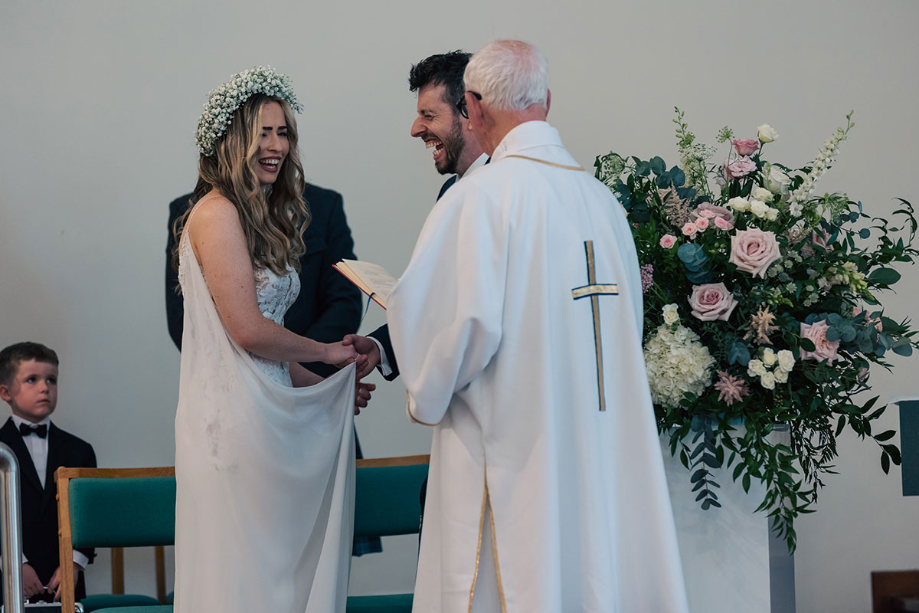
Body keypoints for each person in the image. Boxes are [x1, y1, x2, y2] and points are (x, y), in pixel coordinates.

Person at [353, 41, 689, 611]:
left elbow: (460, 336)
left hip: (513, 461)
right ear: (547, 101)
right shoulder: (602, 202)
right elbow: (625, 328)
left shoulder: (478, 200)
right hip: (594, 457)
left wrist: (421, 369)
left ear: (475, 107)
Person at [171, 66, 371, 613]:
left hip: (266, 418)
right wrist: (330, 351)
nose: (277, 146)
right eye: (262, 132)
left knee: (278, 583)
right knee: (247, 582)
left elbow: (264, 357)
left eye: (284, 133)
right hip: (233, 425)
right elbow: (247, 330)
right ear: (231, 139)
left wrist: (325, 386)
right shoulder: (214, 214)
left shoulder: (256, 214)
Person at [360, 50, 487, 381]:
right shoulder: (449, 191)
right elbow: (439, 297)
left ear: (469, 112)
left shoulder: (509, 189)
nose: (417, 129)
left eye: (428, 115)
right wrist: (381, 346)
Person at [0, 342, 95, 603]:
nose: (45, 387)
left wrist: (74, 563)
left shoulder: (80, 451)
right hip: (8, 583)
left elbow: (88, 514)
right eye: (32, 380)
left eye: (51, 380)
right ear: (5, 392)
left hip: (64, 581)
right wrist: (13, 563)